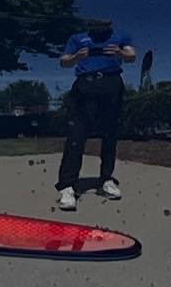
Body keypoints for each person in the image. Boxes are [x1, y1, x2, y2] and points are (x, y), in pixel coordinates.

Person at [54, 19, 144, 210]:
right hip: (84, 85)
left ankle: (106, 180)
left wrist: (120, 53)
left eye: (104, 27)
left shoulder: (120, 36)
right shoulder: (77, 38)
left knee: (110, 134)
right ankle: (67, 185)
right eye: (96, 27)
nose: (100, 31)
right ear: (90, 26)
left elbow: (131, 55)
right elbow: (64, 62)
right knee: (75, 135)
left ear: (109, 26)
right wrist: (77, 57)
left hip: (111, 83)